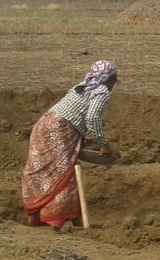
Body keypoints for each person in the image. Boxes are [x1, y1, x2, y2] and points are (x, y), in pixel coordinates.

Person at [22, 60, 119, 228]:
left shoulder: (82, 85)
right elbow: (92, 118)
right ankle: (57, 223)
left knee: (42, 172)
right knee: (63, 176)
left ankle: (36, 219)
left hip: (43, 125)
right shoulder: (102, 90)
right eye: (114, 83)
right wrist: (104, 145)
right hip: (59, 130)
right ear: (110, 80)